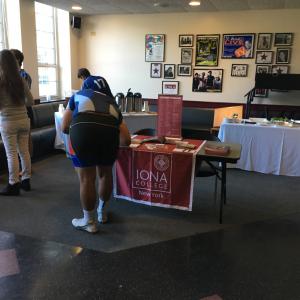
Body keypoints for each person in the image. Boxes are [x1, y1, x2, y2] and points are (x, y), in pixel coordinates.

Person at [61, 89, 131, 233]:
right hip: (110, 131)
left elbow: (64, 126)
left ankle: (89, 221)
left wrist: (78, 136)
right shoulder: (112, 103)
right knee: (106, 174)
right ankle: (102, 212)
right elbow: (126, 140)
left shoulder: (77, 96)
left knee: (87, 178)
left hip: (83, 128)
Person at [0, 50, 34, 195]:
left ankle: (13, 184)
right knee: (24, 151)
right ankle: (26, 181)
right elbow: (31, 101)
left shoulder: (0, 80)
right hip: (24, 120)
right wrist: (19, 105)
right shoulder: (21, 79)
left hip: (8, 122)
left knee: (11, 154)